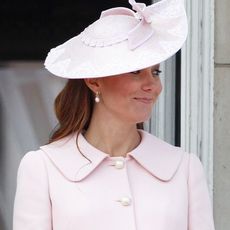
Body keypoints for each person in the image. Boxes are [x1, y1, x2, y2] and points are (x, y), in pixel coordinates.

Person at [13, 0, 215, 229]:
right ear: (93, 80)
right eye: (136, 72)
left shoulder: (185, 168)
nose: (153, 86)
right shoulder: (43, 167)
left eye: (155, 72)